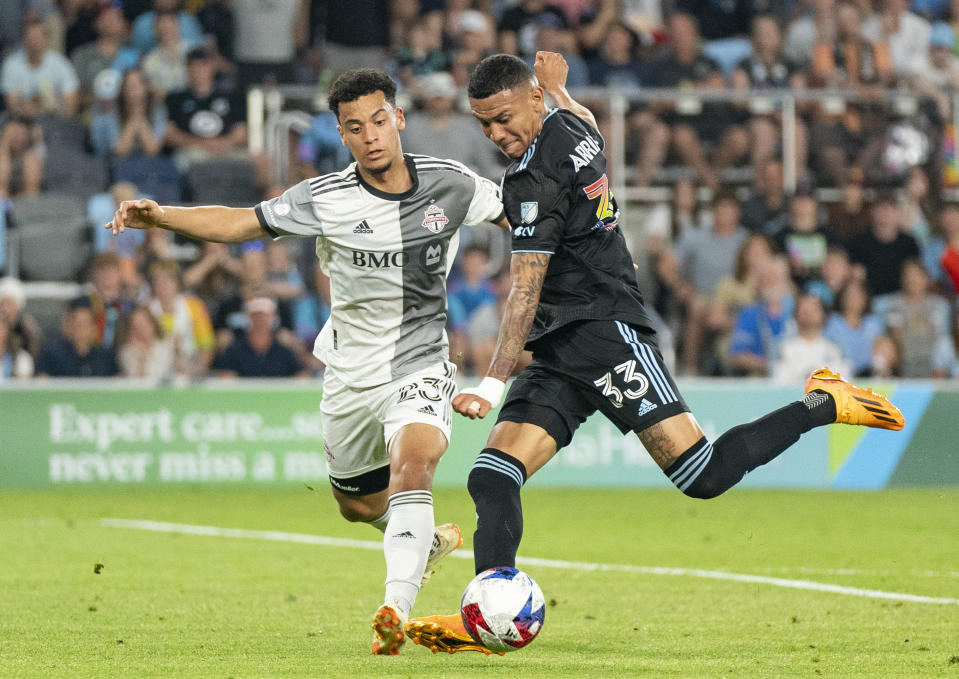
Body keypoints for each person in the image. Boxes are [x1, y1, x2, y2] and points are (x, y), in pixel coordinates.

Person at [404, 52, 905, 655]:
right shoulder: (571, 125)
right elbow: (583, 117)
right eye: (484, 124)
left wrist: (491, 383)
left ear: (531, 99)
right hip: (563, 344)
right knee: (492, 476)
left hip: (605, 331)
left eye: (503, 118)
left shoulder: (529, 182)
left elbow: (525, 289)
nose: (495, 134)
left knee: (703, 475)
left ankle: (823, 403)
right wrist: (561, 90)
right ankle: (484, 615)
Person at [106, 67, 509, 655]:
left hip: (421, 360)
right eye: (354, 127)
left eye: (378, 120)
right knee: (353, 503)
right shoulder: (327, 198)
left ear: (398, 119)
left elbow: (520, 220)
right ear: (342, 137)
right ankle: (423, 546)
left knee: (413, 465)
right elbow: (240, 220)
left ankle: (394, 608)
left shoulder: (451, 184)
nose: (370, 135)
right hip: (349, 371)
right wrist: (160, 214)